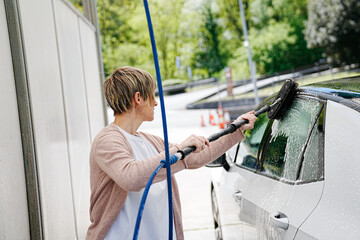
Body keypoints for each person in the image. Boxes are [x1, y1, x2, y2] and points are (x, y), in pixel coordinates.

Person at [86, 66, 257, 240]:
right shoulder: (107, 140)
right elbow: (131, 178)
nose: (155, 102)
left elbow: (195, 157)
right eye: (152, 95)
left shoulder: (149, 141)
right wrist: (179, 151)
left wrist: (236, 130)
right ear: (138, 98)